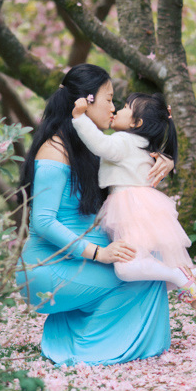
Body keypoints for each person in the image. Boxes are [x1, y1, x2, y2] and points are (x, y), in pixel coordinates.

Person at [16, 64, 174, 366]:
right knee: (143, 275)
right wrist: (99, 253)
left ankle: (71, 335)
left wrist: (165, 160)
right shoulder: (54, 149)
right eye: (109, 99)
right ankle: (89, 348)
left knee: (148, 262)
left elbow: (130, 174)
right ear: (86, 102)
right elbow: (43, 222)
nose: (113, 109)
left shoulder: (90, 148)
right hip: (48, 264)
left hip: (79, 258)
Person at [72, 92, 196, 311]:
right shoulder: (143, 144)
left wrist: (80, 118)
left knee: (126, 269)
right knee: (141, 269)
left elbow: (100, 146)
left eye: (126, 107)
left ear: (136, 122)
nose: (117, 109)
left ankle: (179, 273)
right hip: (142, 206)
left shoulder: (124, 140)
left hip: (128, 207)